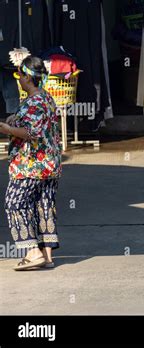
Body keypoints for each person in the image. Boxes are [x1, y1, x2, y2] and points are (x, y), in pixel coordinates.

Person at [0, 56, 62, 271]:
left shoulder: (35, 102)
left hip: (30, 164)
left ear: (28, 77)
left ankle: (32, 252)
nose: (18, 80)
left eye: (20, 76)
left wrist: (7, 129)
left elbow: (31, 133)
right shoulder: (44, 98)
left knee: (14, 203)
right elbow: (35, 124)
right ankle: (47, 256)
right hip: (48, 164)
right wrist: (14, 120)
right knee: (43, 205)